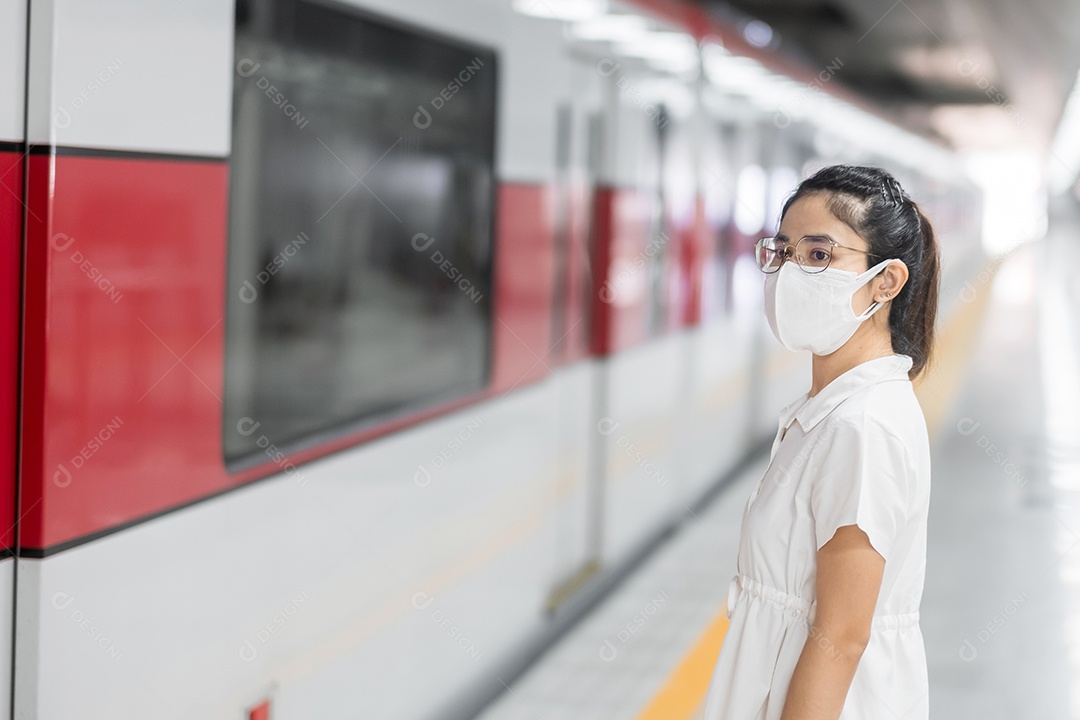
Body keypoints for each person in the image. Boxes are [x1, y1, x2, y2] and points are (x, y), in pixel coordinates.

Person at [702, 164, 940, 720]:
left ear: (886, 281)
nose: (787, 273)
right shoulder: (832, 410)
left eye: (818, 255)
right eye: (781, 252)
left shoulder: (861, 428)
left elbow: (842, 637)